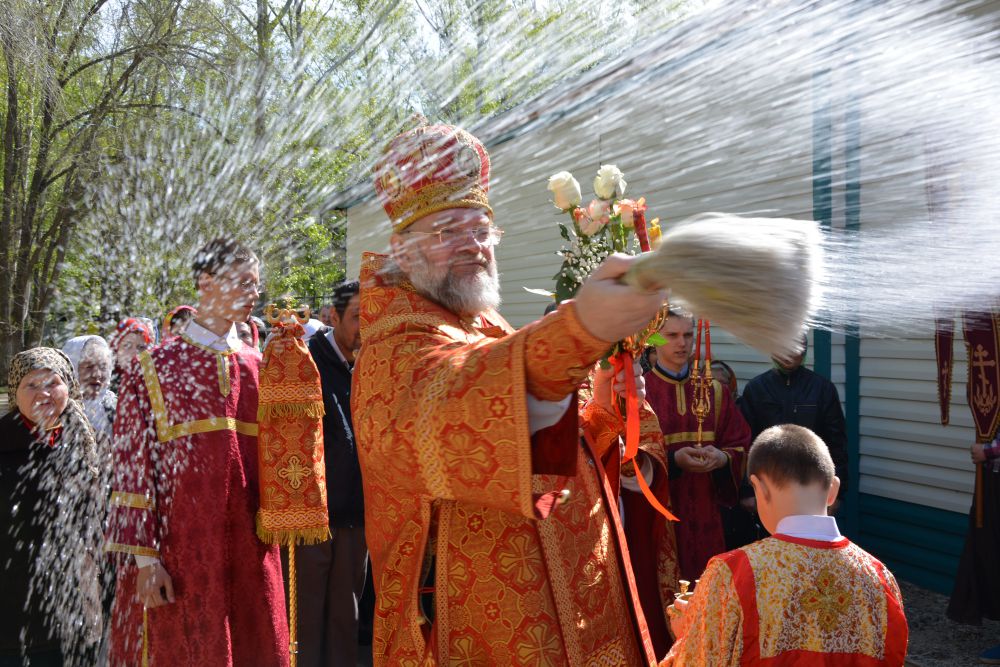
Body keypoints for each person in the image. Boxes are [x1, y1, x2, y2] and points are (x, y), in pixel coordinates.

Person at [353, 121, 669, 664]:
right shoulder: (392, 347)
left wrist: (601, 408)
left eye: (481, 228)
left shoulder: (484, 325)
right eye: (448, 230)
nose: (474, 244)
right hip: (475, 628)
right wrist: (581, 326)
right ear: (402, 252)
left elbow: (548, 453)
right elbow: (458, 414)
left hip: (571, 610)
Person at [105, 238, 288, 666]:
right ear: (206, 282)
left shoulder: (261, 367)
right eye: (244, 282)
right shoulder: (153, 367)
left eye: (257, 285)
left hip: (252, 549)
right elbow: (133, 469)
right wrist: (145, 560)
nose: (255, 294)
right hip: (178, 554)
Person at [662, 424, 909, 666]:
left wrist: (690, 631)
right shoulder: (879, 577)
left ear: (759, 488)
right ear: (833, 489)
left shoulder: (733, 572)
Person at [1, 348, 104, 665]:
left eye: (52, 383)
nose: (43, 394)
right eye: (31, 385)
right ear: (15, 392)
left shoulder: (84, 441)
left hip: (75, 610)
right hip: (12, 614)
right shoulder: (3, 442)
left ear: (68, 387)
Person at [292, 279, 368, 666]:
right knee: (307, 618)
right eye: (357, 317)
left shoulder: (372, 365)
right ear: (333, 317)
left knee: (345, 618)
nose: (365, 327)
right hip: (313, 520)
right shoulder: (307, 362)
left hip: (357, 518)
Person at [644, 310, 751, 582]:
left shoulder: (716, 390)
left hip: (707, 509)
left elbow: (740, 441)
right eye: (672, 335)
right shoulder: (641, 392)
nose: (682, 343)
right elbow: (629, 455)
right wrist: (672, 460)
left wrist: (724, 458)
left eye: (688, 335)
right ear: (654, 339)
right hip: (660, 512)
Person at [738, 333, 849, 514]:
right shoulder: (756, 388)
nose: (790, 352)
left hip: (812, 485)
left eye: (797, 346)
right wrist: (747, 490)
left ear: (805, 349)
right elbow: (746, 443)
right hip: (770, 485)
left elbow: (837, 443)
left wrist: (838, 492)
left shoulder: (822, 388)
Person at [62, 335, 117, 450]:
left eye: (103, 367)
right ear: (72, 367)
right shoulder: (59, 408)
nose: (97, 374)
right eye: (89, 366)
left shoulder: (114, 403)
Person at [107, 318, 153, 393]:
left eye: (140, 347)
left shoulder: (153, 382)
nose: (134, 353)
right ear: (116, 349)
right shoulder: (103, 384)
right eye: (127, 345)